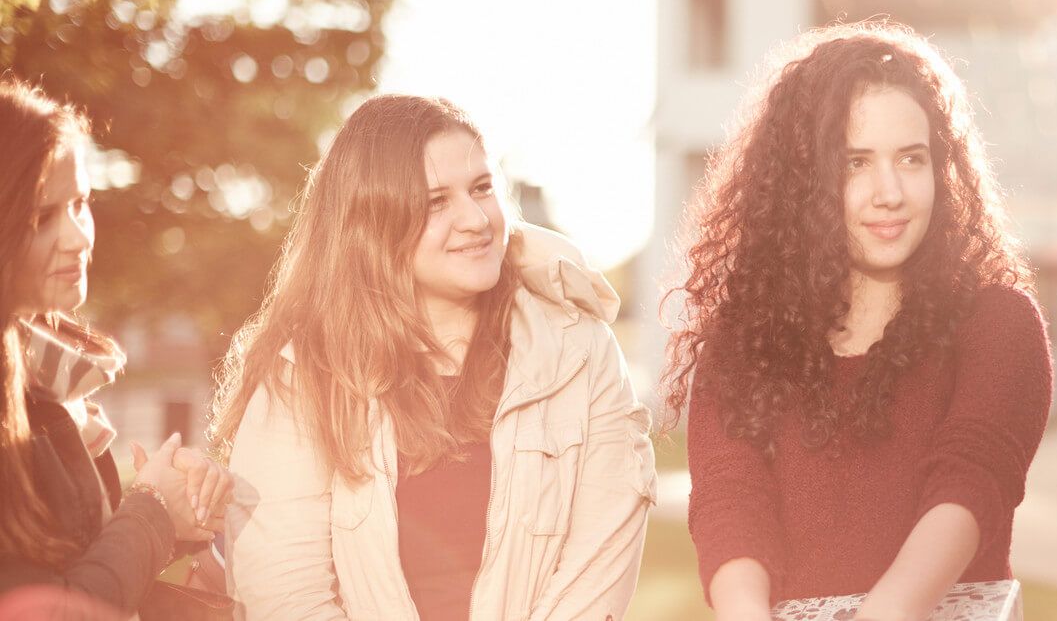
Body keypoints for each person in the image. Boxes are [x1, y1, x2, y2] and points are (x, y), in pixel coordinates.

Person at [662, 23, 1053, 621]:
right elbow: (729, 505)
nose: (889, 191)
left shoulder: (998, 324)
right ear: (802, 182)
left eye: (911, 159)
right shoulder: (741, 347)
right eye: (855, 164)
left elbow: (969, 487)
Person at [212, 94, 656, 620]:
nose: (475, 219)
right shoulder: (304, 374)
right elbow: (285, 591)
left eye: (482, 188)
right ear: (373, 224)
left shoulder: (581, 351)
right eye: (436, 202)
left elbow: (599, 568)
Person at [0, 79, 232, 619]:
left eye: (81, 203)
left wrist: (180, 532)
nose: (78, 236)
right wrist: (151, 512)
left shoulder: (51, 387)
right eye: (43, 216)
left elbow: (85, 577)